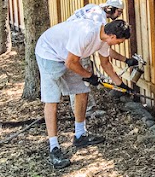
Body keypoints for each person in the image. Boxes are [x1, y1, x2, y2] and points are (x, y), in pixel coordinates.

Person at [35, 18, 132, 168]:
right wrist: (89, 76)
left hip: (68, 56)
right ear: (112, 36)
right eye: (119, 42)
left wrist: (122, 86)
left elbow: (105, 64)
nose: (118, 45)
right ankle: (54, 147)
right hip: (49, 52)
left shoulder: (104, 39)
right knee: (52, 100)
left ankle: (80, 135)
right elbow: (70, 63)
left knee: (82, 91)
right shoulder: (87, 34)